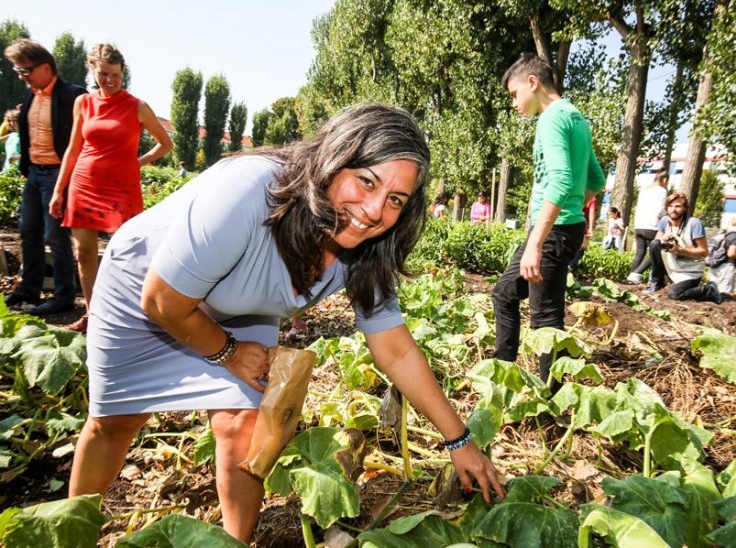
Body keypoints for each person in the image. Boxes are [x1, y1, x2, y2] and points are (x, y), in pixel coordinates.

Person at [67, 104, 505, 543]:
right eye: (366, 180)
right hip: (149, 288)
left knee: (245, 425)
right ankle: (72, 533)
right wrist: (228, 351)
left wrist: (459, 441)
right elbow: (163, 299)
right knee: (117, 421)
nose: (374, 210)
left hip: (241, 307)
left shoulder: (368, 251)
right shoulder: (250, 190)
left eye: (395, 200)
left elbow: (396, 349)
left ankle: (234, 541)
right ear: (333, 159)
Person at [493, 53, 605, 386]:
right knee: (505, 294)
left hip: (552, 233)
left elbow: (559, 179)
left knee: (545, 319)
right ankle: (504, 373)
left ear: (533, 82)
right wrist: (573, 208)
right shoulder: (577, 118)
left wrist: (537, 243)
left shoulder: (552, 118)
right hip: (564, 228)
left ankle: (550, 402)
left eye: (515, 94)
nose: (514, 103)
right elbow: (596, 180)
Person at [48, 44, 173, 334]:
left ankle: (130, 316)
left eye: (115, 74)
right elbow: (73, 149)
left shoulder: (137, 106)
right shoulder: (83, 103)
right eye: (104, 74)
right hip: (84, 183)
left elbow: (166, 143)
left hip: (122, 189)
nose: (110, 80)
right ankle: (92, 316)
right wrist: (59, 189)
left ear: (123, 72)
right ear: (93, 70)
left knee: (129, 254)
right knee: (85, 253)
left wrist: (139, 162)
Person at [3, 39, 86, 316]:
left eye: (25, 70)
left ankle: (63, 296)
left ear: (46, 68)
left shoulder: (73, 95)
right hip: (34, 173)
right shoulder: (30, 95)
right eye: (18, 71)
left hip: (57, 175)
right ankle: (29, 289)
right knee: (28, 231)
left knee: (56, 236)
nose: (22, 76)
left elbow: (82, 140)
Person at [643, 192, 721, 303]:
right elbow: (655, 244)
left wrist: (680, 249)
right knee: (655, 244)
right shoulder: (665, 221)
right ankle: (657, 283)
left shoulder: (694, 223)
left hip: (690, 269)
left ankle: (709, 290)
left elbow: (704, 251)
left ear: (685, 208)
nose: (673, 209)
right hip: (672, 265)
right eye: (670, 206)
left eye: (678, 206)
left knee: (675, 294)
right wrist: (663, 239)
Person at [627, 171, 668, 284]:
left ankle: (631, 278)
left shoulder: (644, 190)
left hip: (639, 225)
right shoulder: (662, 191)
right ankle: (641, 275)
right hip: (652, 226)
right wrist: (667, 217)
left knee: (639, 253)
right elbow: (660, 210)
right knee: (656, 251)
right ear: (664, 180)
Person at [708, 213, 736, 296]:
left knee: (713, 291)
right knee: (724, 294)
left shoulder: (723, 234)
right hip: (727, 267)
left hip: (715, 264)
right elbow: (731, 253)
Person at [569, 195, 597, 269]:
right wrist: (590, 228)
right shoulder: (592, 198)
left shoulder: (576, 194)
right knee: (581, 248)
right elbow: (592, 212)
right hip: (582, 225)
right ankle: (570, 265)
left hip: (570, 222)